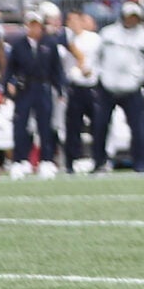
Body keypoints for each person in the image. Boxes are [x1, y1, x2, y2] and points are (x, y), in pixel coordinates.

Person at [2, 3, 65, 176]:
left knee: (45, 125)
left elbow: (56, 69)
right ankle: (19, 160)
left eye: (37, 24)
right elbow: (10, 68)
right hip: (25, 88)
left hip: (43, 87)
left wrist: (60, 90)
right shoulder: (19, 45)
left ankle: (46, 160)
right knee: (20, 124)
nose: (35, 28)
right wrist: (8, 88)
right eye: (31, 24)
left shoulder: (49, 44)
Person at [95, 4, 144, 172]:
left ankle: (139, 162)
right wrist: (99, 77)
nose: (131, 20)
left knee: (138, 127)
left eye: (135, 17)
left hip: (132, 88)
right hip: (108, 86)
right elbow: (97, 57)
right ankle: (99, 161)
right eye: (129, 16)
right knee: (101, 125)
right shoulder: (108, 33)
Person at [61, 10, 101, 173]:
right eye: (70, 21)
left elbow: (100, 59)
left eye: (77, 20)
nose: (74, 24)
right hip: (74, 87)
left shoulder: (94, 39)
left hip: (92, 86)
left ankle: (99, 160)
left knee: (98, 126)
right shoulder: (63, 39)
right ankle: (72, 161)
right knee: (73, 127)